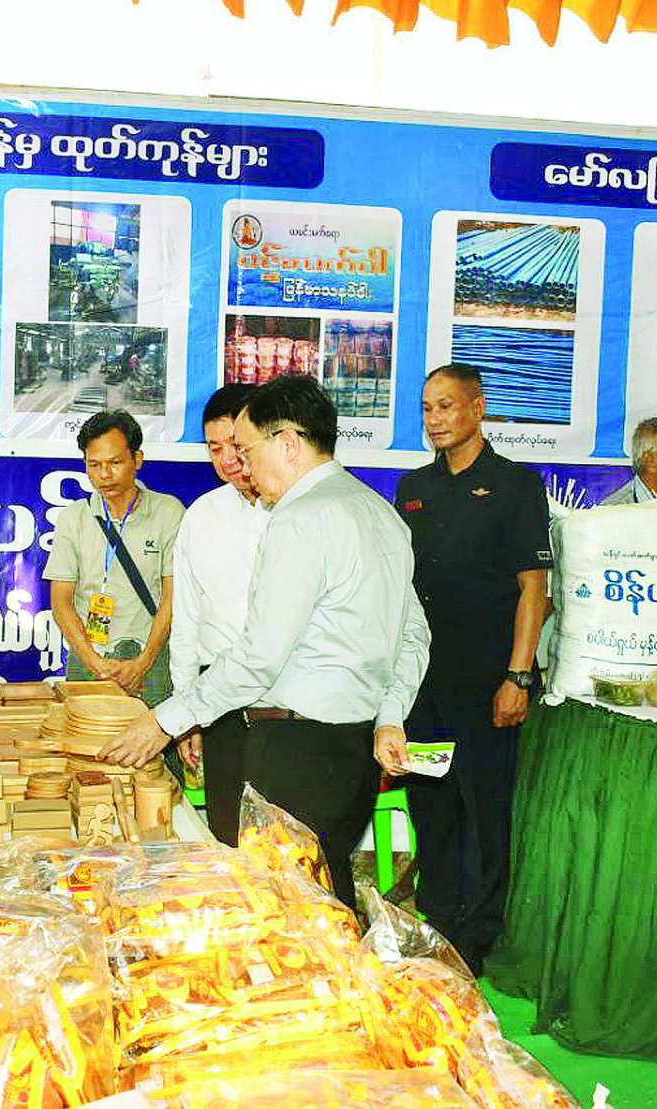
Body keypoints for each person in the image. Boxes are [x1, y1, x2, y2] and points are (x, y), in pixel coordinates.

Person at [100, 376, 430, 907]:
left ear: (289, 443)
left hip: (294, 751)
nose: (245, 468)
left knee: (282, 906)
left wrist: (165, 721)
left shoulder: (301, 518)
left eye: (249, 451)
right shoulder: (378, 511)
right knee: (324, 894)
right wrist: (390, 715)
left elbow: (258, 658)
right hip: (354, 747)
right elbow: (414, 634)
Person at [396, 364, 552, 975]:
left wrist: (518, 677)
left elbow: (533, 589)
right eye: (427, 408)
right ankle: (437, 925)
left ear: (477, 408)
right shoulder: (413, 487)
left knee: (485, 812)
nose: (434, 419)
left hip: (489, 683)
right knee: (431, 804)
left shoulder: (514, 485)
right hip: (423, 684)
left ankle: (479, 940)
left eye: (446, 406)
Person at [169, 383, 267, 843]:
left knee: (286, 840)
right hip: (218, 699)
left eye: (235, 444)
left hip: (286, 701)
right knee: (227, 829)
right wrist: (187, 710)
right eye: (214, 448)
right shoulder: (201, 515)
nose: (228, 459)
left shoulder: (298, 511)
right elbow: (186, 619)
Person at [44, 410, 185, 707]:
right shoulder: (73, 518)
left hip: (151, 658)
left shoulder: (169, 512)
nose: (104, 475)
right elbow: (61, 602)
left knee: (151, 736)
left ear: (137, 459)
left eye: (115, 463)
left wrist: (142, 663)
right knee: (85, 736)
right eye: (94, 465)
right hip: (89, 658)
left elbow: (173, 597)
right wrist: (95, 663)